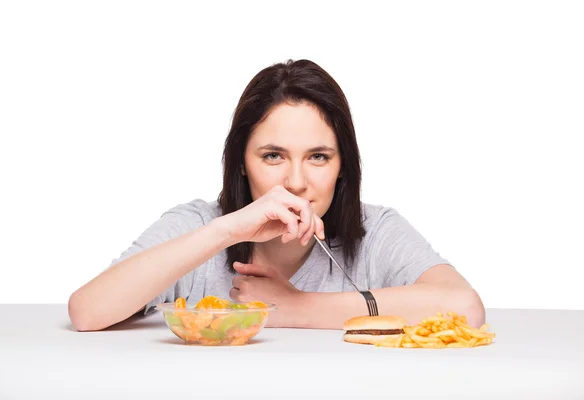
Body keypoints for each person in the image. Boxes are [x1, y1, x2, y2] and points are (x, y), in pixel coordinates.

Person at [68, 59, 485, 332]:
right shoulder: (200, 226)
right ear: (241, 162)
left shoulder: (374, 230)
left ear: (343, 167)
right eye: (272, 156)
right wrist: (227, 230)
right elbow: (87, 312)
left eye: (319, 157)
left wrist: (297, 307)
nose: (296, 181)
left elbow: (465, 307)